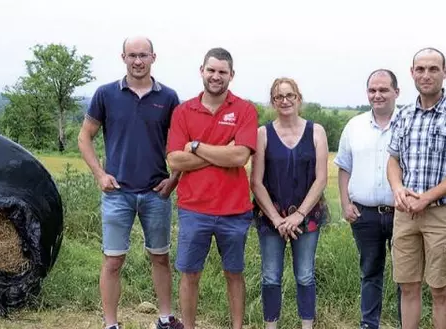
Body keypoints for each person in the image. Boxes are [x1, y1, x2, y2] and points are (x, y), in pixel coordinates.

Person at [77, 36, 183, 329]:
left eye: (143, 55)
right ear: (123, 57)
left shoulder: (169, 97)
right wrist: (100, 174)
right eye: (132, 55)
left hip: (156, 193)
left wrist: (174, 179)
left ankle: (164, 319)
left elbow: (178, 145)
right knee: (113, 262)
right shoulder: (106, 94)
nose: (138, 61)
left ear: (153, 57)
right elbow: (85, 136)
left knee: (160, 258)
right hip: (117, 193)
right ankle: (111, 324)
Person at [386, 47, 446, 329]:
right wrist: (398, 189)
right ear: (412, 73)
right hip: (405, 213)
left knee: (440, 288)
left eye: (433, 69)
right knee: (408, 285)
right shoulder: (404, 115)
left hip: (441, 213)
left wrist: (426, 198)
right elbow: (393, 158)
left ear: (445, 72)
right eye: (420, 69)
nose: (426, 75)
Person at [165, 47, 258, 329]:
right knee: (190, 274)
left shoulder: (245, 110)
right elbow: (173, 159)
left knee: (234, 274)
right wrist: (221, 153)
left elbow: (240, 157)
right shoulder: (183, 111)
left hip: (235, 209)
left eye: (222, 72)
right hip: (194, 209)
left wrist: (196, 147)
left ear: (231, 75)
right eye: (211, 70)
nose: (216, 76)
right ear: (201, 71)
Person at [250, 77, 329, 329]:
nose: (284, 101)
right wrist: (276, 219)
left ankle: (307, 326)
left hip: (308, 216)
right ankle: (270, 326)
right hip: (270, 216)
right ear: (272, 102)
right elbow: (256, 182)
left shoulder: (316, 131)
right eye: (278, 97)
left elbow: (321, 178)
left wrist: (299, 215)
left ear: (298, 98)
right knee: (270, 277)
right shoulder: (262, 134)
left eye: (289, 95)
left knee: (305, 275)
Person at [334, 69, 402, 329]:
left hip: (402, 213)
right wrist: (345, 203)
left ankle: (403, 324)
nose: (378, 95)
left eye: (383, 90)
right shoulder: (355, 125)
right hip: (365, 215)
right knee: (370, 273)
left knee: (404, 277)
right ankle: (368, 324)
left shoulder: (407, 122)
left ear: (396, 92)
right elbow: (343, 167)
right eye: (373, 90)